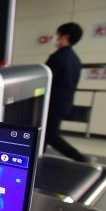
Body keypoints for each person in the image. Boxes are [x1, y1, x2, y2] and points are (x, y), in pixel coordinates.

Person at [45, 22, 88, 162]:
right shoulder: (75, 59)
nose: (55, 37)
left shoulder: (58, 57)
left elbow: (46, 79)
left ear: (65, 36)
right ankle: (38, 157)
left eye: (57, 34)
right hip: (65, 103)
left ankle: (81, 158)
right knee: (44, 133)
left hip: (52, 103)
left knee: (50, 134)